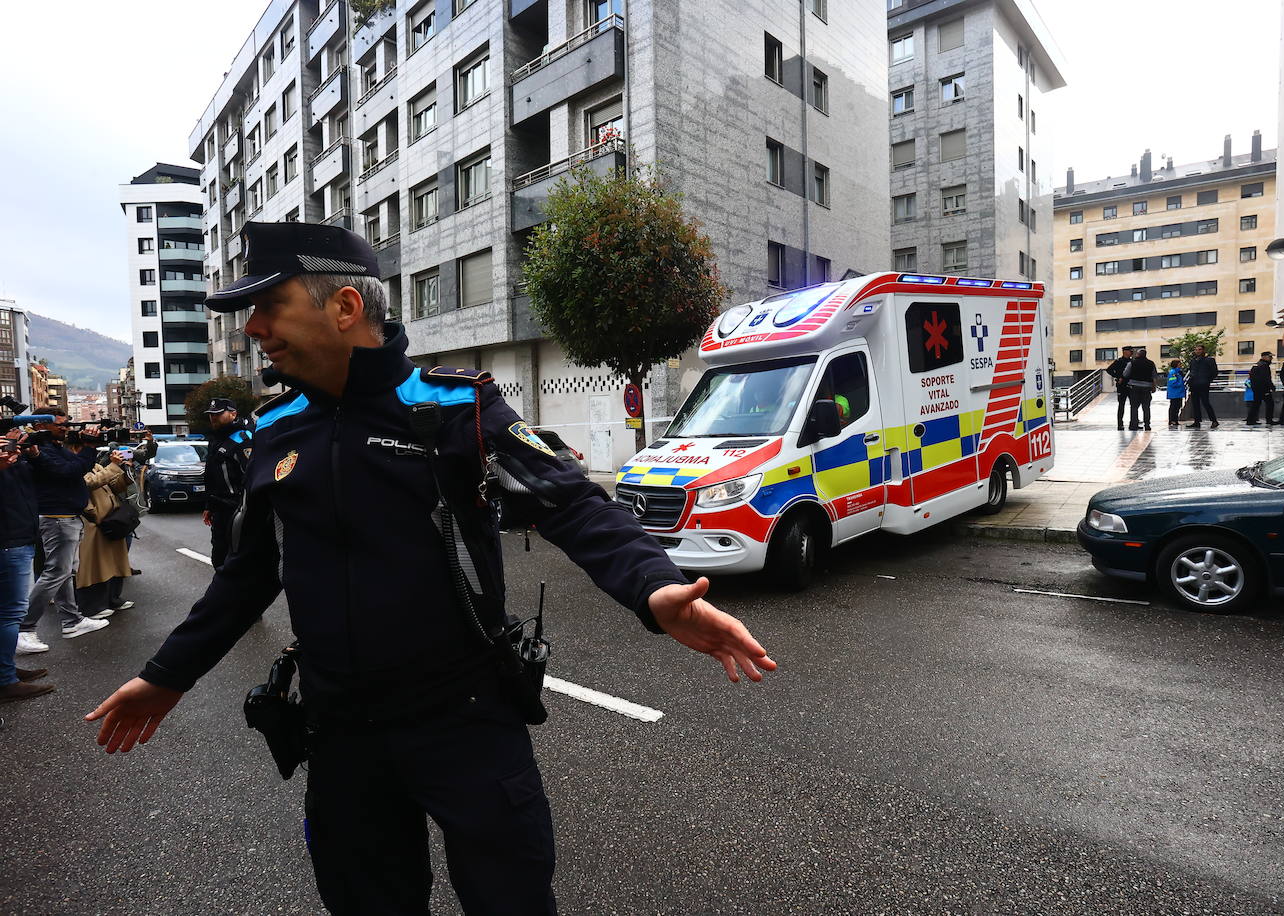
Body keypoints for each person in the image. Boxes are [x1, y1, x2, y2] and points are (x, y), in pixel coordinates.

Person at [86, 220, 776, 916]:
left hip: (467, 720)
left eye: (270, 306)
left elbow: (570, 502)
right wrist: (166, 675)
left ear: (345, 307)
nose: (253, 328)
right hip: (341, 734)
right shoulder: (274, 429)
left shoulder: (454, 408)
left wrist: (654, 587)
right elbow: (248, 573)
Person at [16, 410, 109, 653]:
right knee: (55, 573)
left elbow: (76, 467)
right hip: (57, 518)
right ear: (40, 425)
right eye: (60, 425)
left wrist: (85, 450)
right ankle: (24, 629)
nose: (65, 428)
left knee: (66, 572)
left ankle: (72, 621)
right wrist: (88, 448)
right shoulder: (39, 451)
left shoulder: (55, 448)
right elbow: (70, 471)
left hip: (68, 517)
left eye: (66, 424)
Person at [0, 426, 52, 701]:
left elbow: (44, 478)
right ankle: (5, 680)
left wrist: (30, 453)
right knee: (10, 614)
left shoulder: (14, 458)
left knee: (7, 613)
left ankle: (6, 670)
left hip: (20, 535)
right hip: (9, 540)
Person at [74, 447, 142, 620]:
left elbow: (113, 486)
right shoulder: (75, 466)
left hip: (111, 520)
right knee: (95, 565)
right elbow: (91, 482)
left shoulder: (94, 465)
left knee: (114, 562)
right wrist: (113, 465)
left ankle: (112, 599)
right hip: (93, 522)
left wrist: (126, 471)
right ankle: (91, 607)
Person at [202, 398, 254, 569]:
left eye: (218, 414)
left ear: (233, 414)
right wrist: (209, 505)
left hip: (239, 509)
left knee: (238, 560)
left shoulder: (242, 439)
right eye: (211, 414)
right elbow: (212, 476)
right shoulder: (216, 439)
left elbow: (252, 476)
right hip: (220, 510)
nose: (213, 418)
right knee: (219, 558)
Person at [1185, 345, 1219, 429]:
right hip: (1194, 384)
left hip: (1203, 384)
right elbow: (1191, 371)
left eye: (1199, 349)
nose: (1198, 351)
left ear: (1203, 350)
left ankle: (1214, 420)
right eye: (1196, 350)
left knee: (1206, 403)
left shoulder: (1209, 360)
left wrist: (1207, 380)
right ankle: (1197, 421)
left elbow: (1214, 372)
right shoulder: (1193, 361)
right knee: (1195, 404)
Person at [1124, 348, 1157, 431]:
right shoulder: (1151, 363)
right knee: (1146, 407)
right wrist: (1154, 386)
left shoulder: (1132, 363)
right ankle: (1147, 425)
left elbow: (1125, 374)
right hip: (1147, 387)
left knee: (1134, 407)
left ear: (1138, 354)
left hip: (1134, 387)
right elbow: (1154, 376)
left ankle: (1134, 425)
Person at [1105, 347, 1134, 430]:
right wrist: (1117, 377)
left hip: (1131, 384)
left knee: (1134, 405)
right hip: (1122, 386)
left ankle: (1133, 423)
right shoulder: (1119, 361)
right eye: (1130, 351)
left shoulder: (1132, 361)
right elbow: (1109, 370)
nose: (1131, 353)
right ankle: (1120, 424)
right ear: (1125, 352)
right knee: (1121, 405)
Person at [1245, 351, 1276, 426]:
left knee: (1256, 404)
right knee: (1270, 404)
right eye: (1270, 357)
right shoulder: (1264, 365)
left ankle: (1250, 420)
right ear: (1264, 357)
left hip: (1256, 388)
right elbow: (1266, 378)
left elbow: (1251, 377)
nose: (1271, 358)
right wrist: (1272, 386)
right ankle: (1269, 420)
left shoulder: (1256, 365)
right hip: (1264, 389)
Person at [1165, 359, 1187, 426]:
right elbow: (1172, 383)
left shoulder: (1178, 372)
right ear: (1176, 364)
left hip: (1178, 393)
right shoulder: (1173, 372)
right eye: (1180, 364)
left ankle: (1175, 420)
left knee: (1177, 407)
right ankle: (1172, 420)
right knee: (1174, 407)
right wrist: (1181, 384)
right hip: (1175, 393)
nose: (1181, 365)